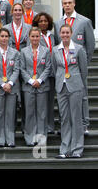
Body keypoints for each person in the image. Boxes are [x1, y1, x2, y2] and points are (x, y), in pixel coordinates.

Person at [53, 0, 95, 135]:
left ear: (74, 3)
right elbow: (57, 46)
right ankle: (66, 125)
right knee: (64, 97)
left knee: (82, 95)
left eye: (70, 3)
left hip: (77, 67)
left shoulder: (84, 22)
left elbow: (89, 46)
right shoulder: (58, 24)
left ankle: (84, 124)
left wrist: (83, 64)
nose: (67, 5)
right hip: (64, 68)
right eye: (65, 3)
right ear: (62, 5)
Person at [52, 24, 88, 159]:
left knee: (76, 118)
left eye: (67, 33)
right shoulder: (56, 50)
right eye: (63, 33)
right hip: (61, 87)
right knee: (64, 118)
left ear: (71, 33)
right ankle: (64, 149)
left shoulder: (78, 49)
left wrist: (80, 85)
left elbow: (83, 70)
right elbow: (55, 69)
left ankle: (77, 149)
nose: (65, 35)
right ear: (60, 34)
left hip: (75, 87)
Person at [20, 27, 52, 146]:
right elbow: (22, 68)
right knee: (29, 113)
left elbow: (48, 67)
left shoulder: (46, 51)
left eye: (37, 36)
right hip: (28, 86)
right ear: (29, 37)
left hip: (42, 86)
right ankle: (29, 138)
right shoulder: (23, 51)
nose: (35, 38)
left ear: (40, 37)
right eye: (32, 36)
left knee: (42, 113)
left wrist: (39, 80)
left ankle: (41, 139)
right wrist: (30, 80)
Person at [0, 28, 20, 147]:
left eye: (6, 36)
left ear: (9, 38)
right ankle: (0, 138)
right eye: (2, 36)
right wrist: (2, 84)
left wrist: (10, 83)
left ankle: (10, 138)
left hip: (11, 87)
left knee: (10, 113)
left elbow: (16, 69)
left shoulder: (15, 53)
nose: (4, 38)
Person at [33, 12, 56, 134]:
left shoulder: (52, 37)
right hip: (39, 73)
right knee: (39, 104)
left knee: (50, 100)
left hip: (52, 73)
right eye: (40, 21)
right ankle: (38, 127)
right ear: (37, 23)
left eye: (45, 21)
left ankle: (50, 125)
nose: (43, 23)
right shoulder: (34, 35)